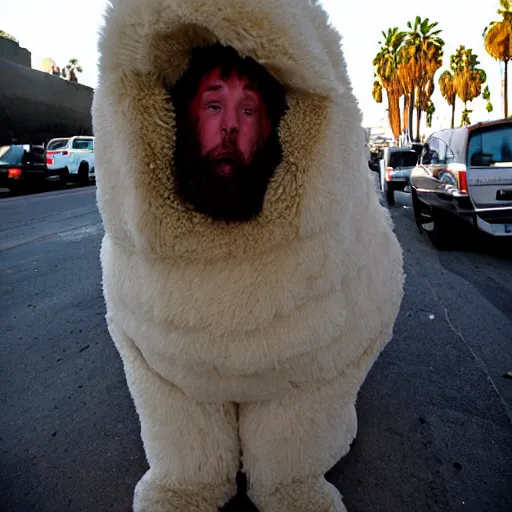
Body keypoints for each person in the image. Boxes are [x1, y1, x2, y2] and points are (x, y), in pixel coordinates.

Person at [92, 1, 404, 511]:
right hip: (175, 358)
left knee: (296, 426)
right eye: (214, 105)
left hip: (305, 359)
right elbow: (142, 349)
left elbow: (364, 321)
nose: (231, 127)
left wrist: (293, 473)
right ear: (176, 119)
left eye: (249, 108)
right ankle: (189, 472)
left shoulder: (348, 247)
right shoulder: (135, 262)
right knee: (181, 434)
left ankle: (288, 472)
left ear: (279, 126)